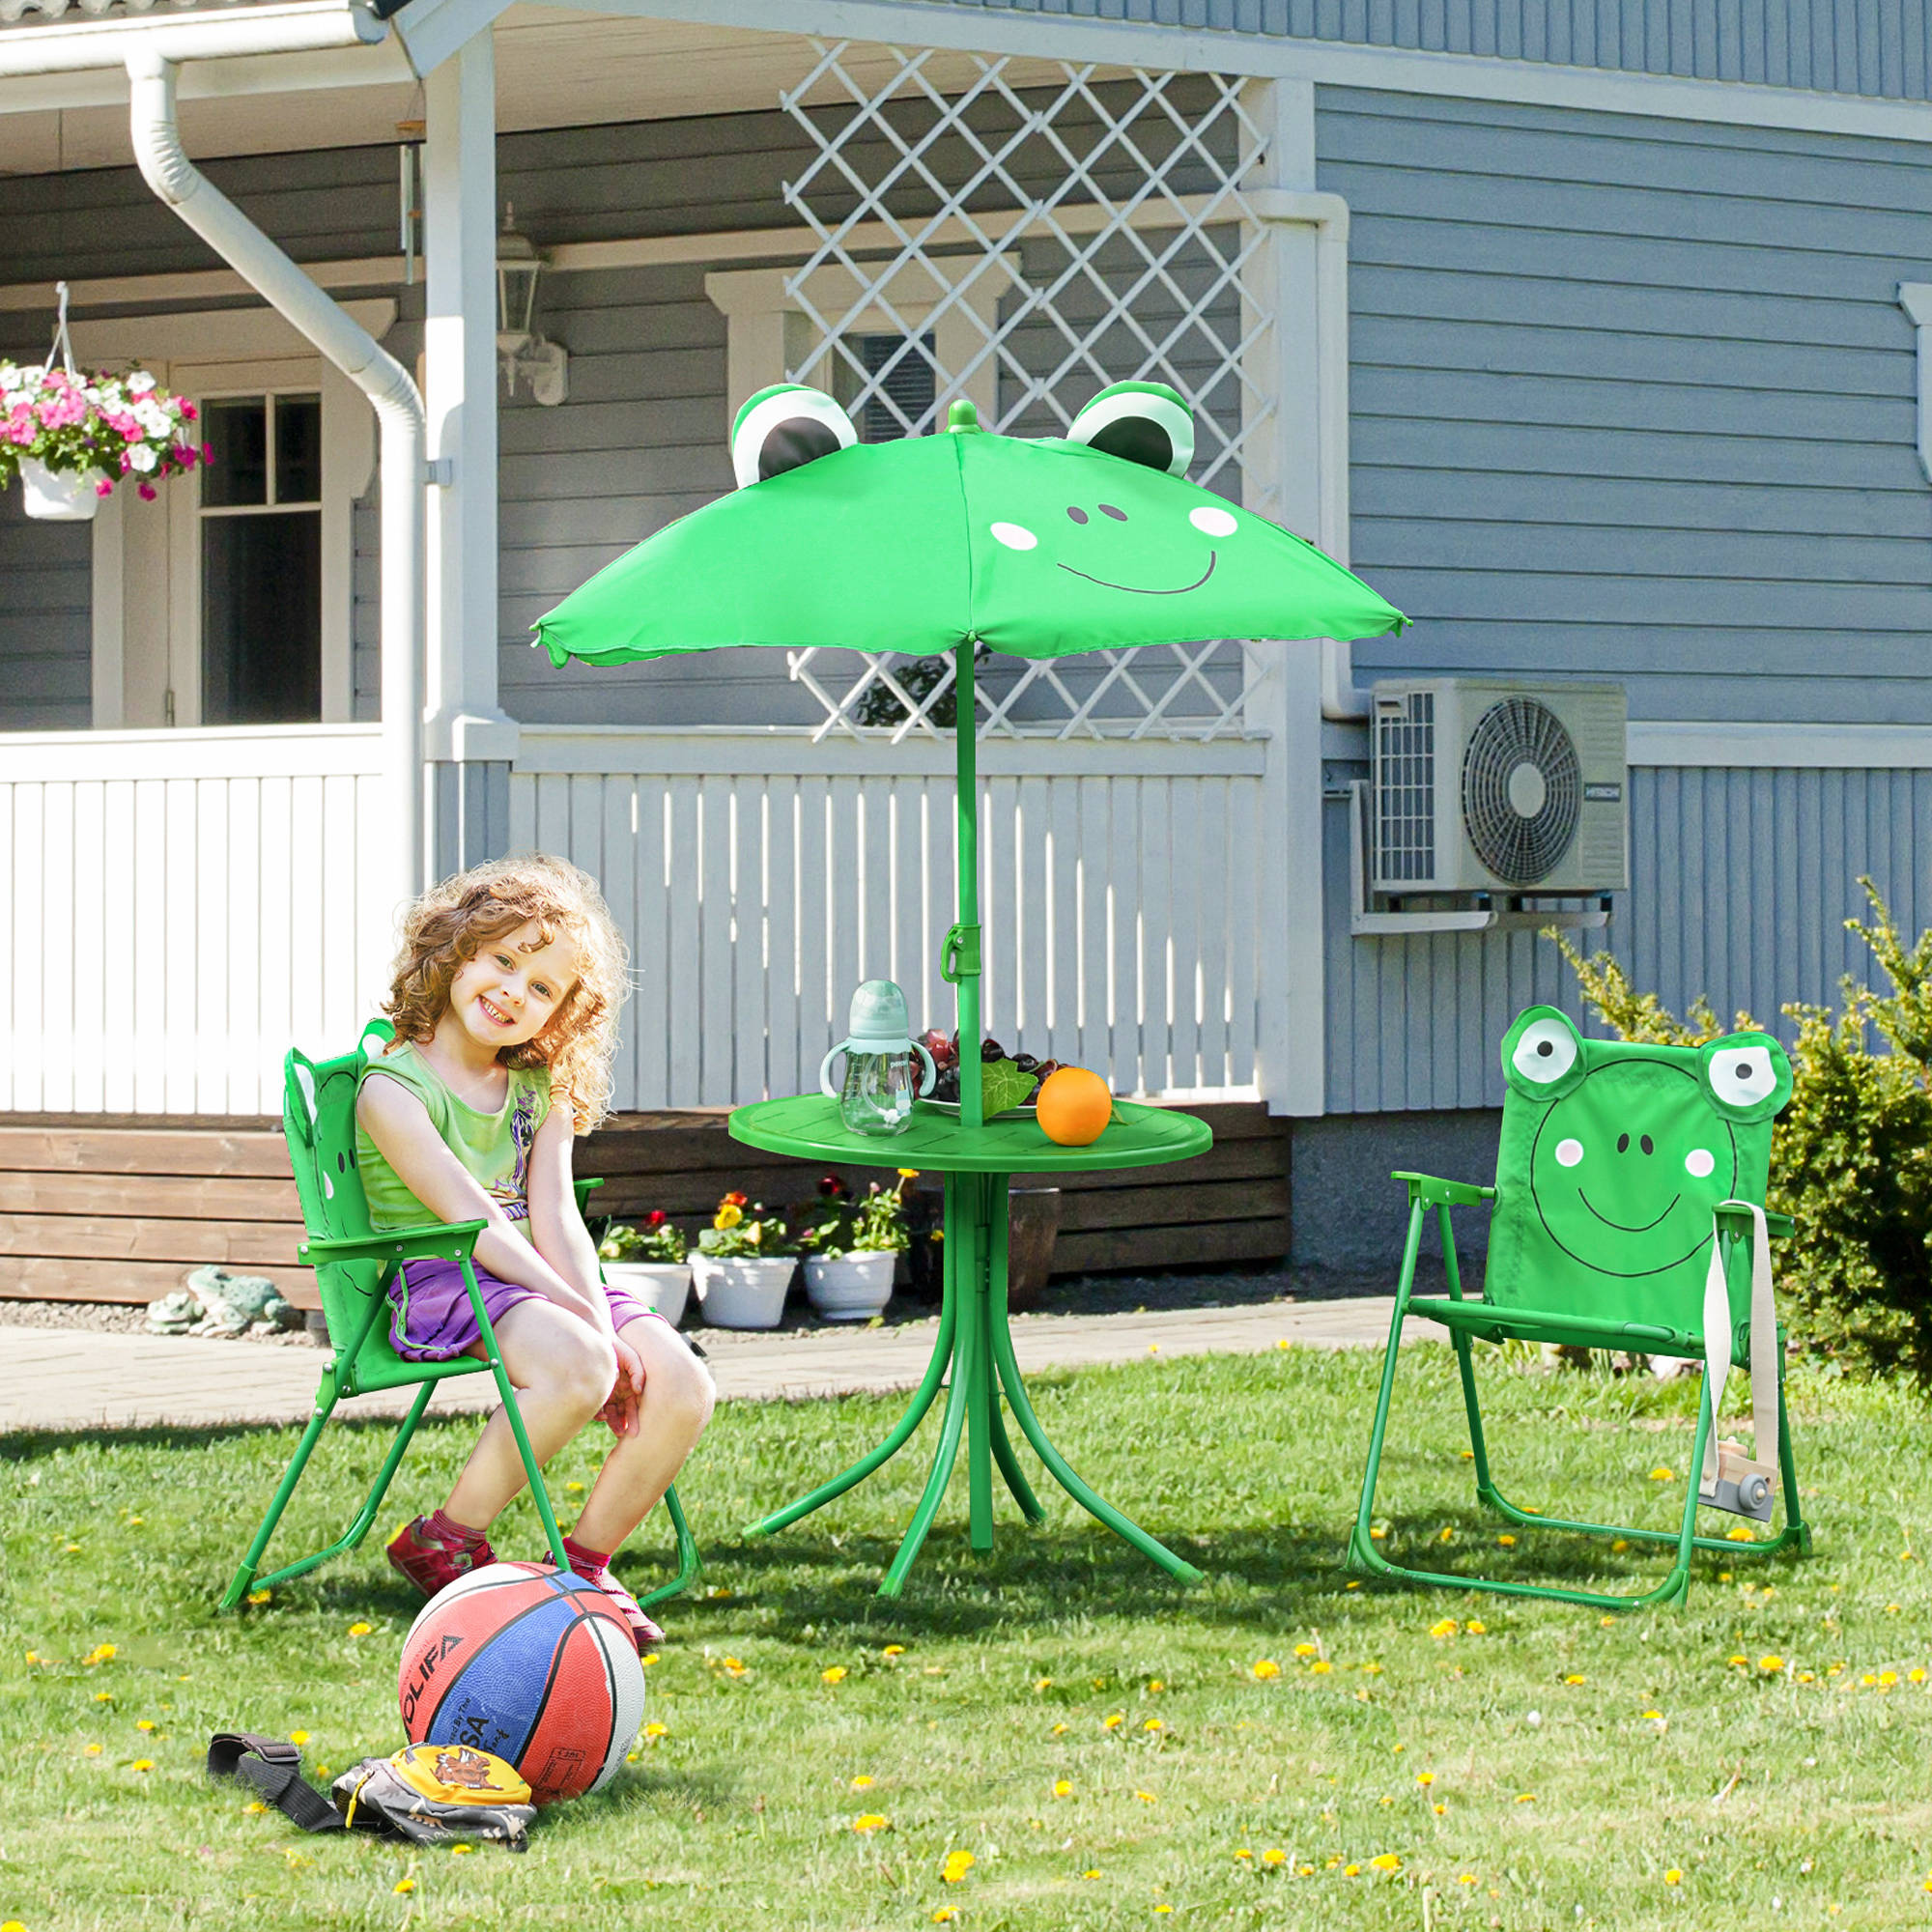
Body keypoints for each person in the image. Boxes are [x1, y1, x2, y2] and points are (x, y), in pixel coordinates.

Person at [356, 854, 713, 1647]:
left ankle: (584, 1565)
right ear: (455, 949)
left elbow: (554, 1212)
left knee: (684, 1383)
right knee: (581, 1365)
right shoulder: (391, 1087)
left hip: (542, 1281)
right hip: (447, 1276)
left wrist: (600, 1321)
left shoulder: (538, 1085)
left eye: (544, 988)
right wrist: (589, 1333)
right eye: (504, 960)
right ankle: (447, 1539)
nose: (516, 991)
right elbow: (476, 1222)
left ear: (562, 1013)